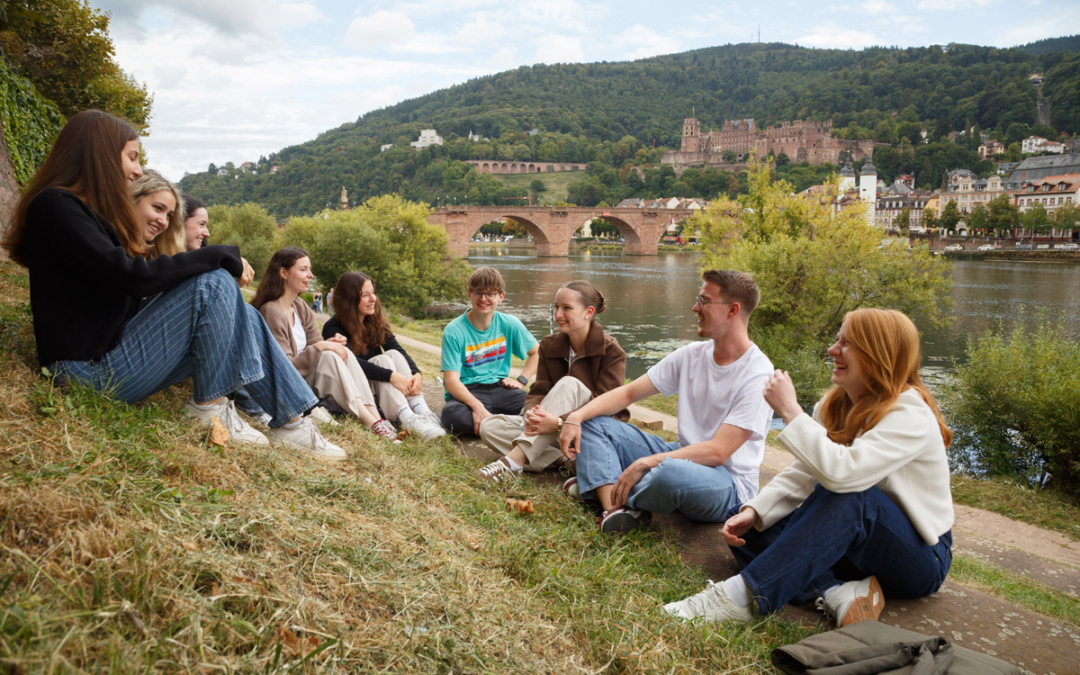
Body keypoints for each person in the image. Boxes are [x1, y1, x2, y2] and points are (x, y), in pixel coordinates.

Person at [3, 109, 345, 460]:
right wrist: (215, 257)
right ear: (100, 154)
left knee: (242, 313)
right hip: (85, 374)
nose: (137, 170)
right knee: (212, 284)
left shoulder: (80, 213)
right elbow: (130, 277)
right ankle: (209, 408)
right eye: (132, 157)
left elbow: (126, 292)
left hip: (110, 356)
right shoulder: (56, 207)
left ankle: (293, 421)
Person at [663, 308, 953, 628]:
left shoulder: (910, 412)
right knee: (753, 526)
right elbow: (803, 473)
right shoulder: (833, 406)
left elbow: (842, 475)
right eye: (836, 339)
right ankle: (835, 592)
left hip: (919, 557)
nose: (832, 350)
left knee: (849, 495)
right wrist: (756, 512)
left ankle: (739, 599)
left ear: (876, 354)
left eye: (847, 343)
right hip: (856, 547)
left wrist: (789, 410)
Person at [558, 270, 774, 534]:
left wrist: (646, 462)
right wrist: (576, 417)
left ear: (732, 310)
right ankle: (614, 511)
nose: (696, 307)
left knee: (669, 473)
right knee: (594, 422)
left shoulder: (758, 374)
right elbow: (627, 394)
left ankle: (599, 482)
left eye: (704, 301)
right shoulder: (691, 355)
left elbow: (719, 452)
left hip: (726, 483)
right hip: (682, 452)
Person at [477, 280, 626, 480]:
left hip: (588, 431)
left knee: (569, 383)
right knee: (489, 427)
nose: (558, 315)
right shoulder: (549, 345)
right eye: (556, 307)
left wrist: (558, 423)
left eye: (566, 308)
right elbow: (539, 390)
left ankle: (513, 462)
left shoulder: (611, 351)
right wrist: (532, 413)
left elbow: (611, 409)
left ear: (588, 312)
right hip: (549, 433)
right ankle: (565, 461)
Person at [251, 248, 401, 442]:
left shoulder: (300, 306)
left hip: (308, 378)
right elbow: (284, 368)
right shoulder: (272, 311)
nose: (310, 275)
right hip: (290, 385)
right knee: (329, 354)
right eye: (304, 269)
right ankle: (369, 421)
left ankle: (376, 418)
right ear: (283, 273)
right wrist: (322, 347)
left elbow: (315, 343)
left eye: (310, 269)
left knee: (339, 352)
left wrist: (330, 344)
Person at [322, 271, 446, 440]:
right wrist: (392, 376)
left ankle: (422, 411)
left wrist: (417, 373)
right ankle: (407, 418)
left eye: (373, 292)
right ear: (349, 299)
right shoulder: (333, 328)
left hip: (382, 388)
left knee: (392, 353)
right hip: (359, 391)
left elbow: (397, 348)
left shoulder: (374, 320)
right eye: (366, 295)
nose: (373, 298)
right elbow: (353, 363)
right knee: (382, 359)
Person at [440, 266, 539, 436]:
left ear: (501, 297)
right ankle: (514, 426)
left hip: (502, 389)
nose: (483, 299)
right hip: (468, 391)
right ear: (470, 294)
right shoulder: (454, 330)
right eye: (478, 293)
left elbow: (537, 353)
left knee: (538, 407)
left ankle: (491, 425)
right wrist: (477, 407)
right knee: (451, 415)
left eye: (490, 294)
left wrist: (521, 381)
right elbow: (451, 381)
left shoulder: (509, 324)